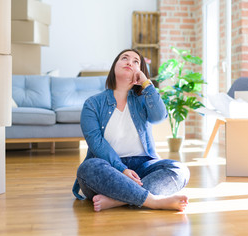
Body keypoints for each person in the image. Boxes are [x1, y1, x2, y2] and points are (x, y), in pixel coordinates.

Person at [72, 49, 190, 212]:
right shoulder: (92, 104)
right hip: (108, 169)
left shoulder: (144, 99)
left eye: (136, 61)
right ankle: (153, 201)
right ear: (114, 67)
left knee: (180, 170)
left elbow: (160, 116)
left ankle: (116, 201)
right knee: (87, 168)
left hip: (142, 167)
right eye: (125, 58)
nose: (130, 62)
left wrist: (147, 84)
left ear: (140, 70)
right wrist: (122, 169)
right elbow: (96, 144)